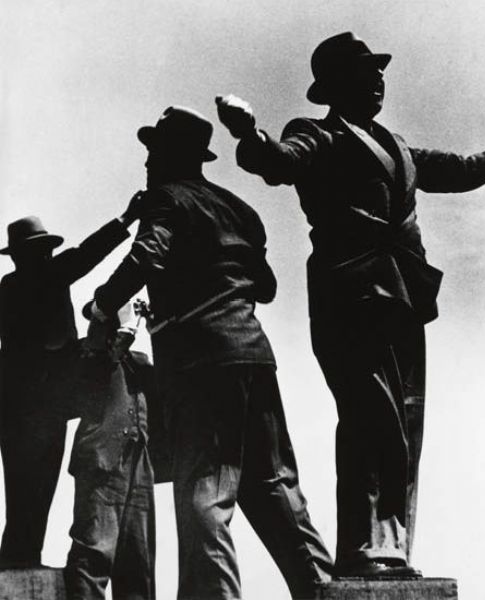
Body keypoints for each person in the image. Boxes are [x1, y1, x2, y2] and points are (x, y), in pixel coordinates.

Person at [215, 31, 485, 577]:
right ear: (333, 85)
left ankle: (391, 547)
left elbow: (464, 171)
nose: (378, 80)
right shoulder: (317, 134)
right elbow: (278, 162)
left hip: (403, 296)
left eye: (380, 72)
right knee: (370, 419)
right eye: (365, 71)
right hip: (349, 296)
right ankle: (361, 548)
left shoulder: (398, 146)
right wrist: (249, 133)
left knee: (406, 428)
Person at [89, 105, 333, 599]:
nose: (147, 161)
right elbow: (266, 287)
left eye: (154, 151)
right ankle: (324, 590)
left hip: (199, 361)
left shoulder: (166, 198)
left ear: (170, 155)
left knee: (205, 490)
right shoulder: (241, 210)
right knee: (276, 486)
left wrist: (102, 303)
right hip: (253, 354)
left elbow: (147, 255)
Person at [0, 197, 143, 568]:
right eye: (41, 250)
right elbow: (86, 254)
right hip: (38, 405)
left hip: (19, 405)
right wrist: (126, 219)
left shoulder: (10, 287)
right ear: (29, 255)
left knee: (24, 488)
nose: (47, 256)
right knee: (36, 485)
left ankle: (20, 559)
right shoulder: (43, 276)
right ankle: (19, 561)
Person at [64, 301, 155, 600]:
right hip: (101, 463)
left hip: (138, 469)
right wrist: (126, 327)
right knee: (94, 555)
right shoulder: (87, 354)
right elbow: (99, 365)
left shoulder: (138, 362)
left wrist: (156, 324)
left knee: (138, 566)